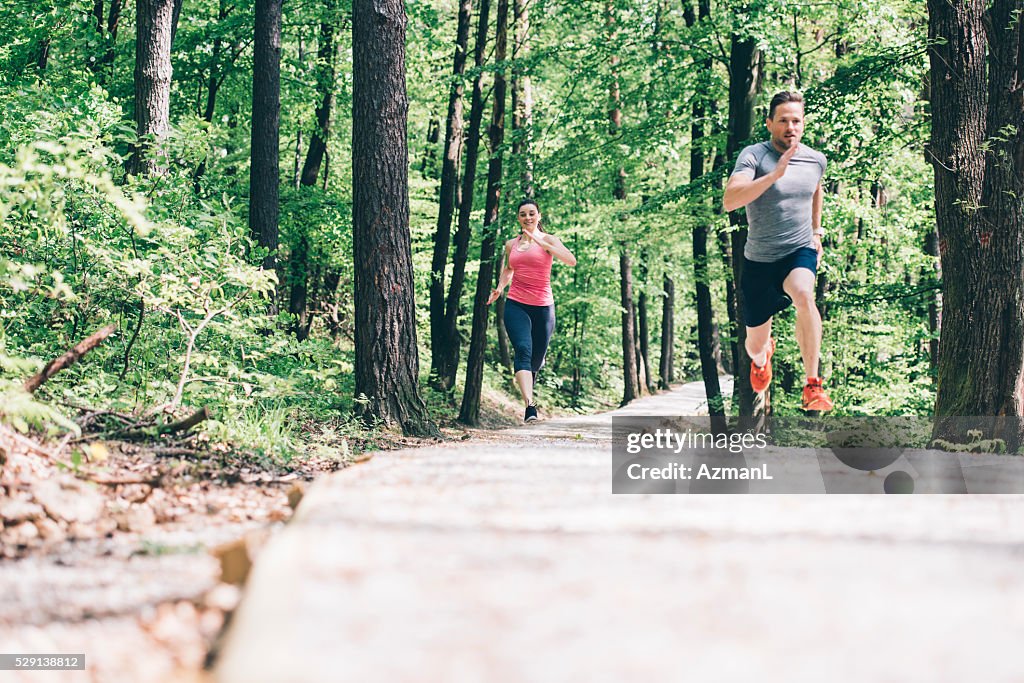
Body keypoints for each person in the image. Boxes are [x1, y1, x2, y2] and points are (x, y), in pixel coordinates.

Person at [722, 91, 833, 411]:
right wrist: (774, 175)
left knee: (804, 293)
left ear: (803, 124)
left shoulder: (815, 159)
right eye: (783, 120)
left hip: (797, 251)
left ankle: (813, 385)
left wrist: (816, 231)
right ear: (769, 123)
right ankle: (762, 356)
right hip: (759, 262)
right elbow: (731, 200)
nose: (790, 126)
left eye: (796, 120)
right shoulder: (754, 157)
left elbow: (815, 188)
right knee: (753, 346)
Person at [487, 198, 577, 422]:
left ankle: (534, 371)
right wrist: (499, 288)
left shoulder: (549, 240)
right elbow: (509, 269)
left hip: (543, 307)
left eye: (531, 213)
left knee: (536, 359)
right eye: (523, 214)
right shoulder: (511, 244)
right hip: (516, 304)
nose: (527, 217)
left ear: (539, 216)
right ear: (518, 218)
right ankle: (530, 406)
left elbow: (571, 261)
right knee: (523, 350)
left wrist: (541, 241)